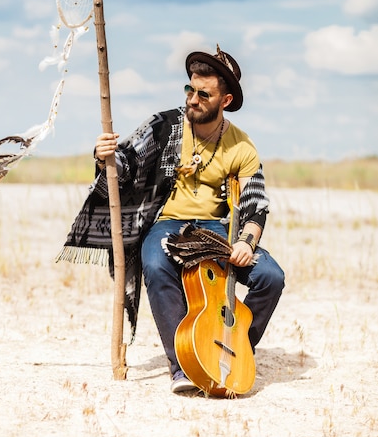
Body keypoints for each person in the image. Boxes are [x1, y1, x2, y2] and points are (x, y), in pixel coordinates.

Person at [57, 45, 284, 394]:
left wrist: (245, 241)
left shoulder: (242, 146)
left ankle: (235, 348)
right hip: (167, 223)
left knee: (271, 276)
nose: (193, 99)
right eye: (189, 90)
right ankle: (183, 363)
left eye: (203, 94)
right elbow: (127, 161)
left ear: (224, 101)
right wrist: (105, 157)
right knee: (155, 259)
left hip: (216, 231)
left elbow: (256, 205)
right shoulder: (164, 126)